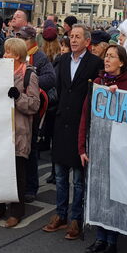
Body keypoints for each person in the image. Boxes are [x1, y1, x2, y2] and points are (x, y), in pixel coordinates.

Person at [43, 24, 103, 240]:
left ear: (87, 41)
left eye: (78, 37)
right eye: (71, 36)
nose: (73, 40)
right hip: (61, 123)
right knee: (60, 176)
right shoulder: (63, 60)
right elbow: (58, 88)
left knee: (78, 179)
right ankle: (60, 215)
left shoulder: (96, 63)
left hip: (80, 125)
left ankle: (76, 218)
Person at [80, 45, 127, 253]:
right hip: (98, 146)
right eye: (106, 56)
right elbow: (86, 116)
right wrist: (82, 147)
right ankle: (100, 237)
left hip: (119, 150)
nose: (106, 60)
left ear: (121, 62)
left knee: (115, 194)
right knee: (100, 192)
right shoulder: (97, 84)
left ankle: (113, 240)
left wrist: (117, 99)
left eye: (112, 57)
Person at [0, 37, 41, 227]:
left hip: (18, 132)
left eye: (8, 52)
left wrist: (18, 97)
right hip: (0, 131)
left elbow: (34, 104)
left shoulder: (29, 76)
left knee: (17, 174)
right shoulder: (0, 73)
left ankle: (16, 212)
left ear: (17, 55)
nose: (4, 55)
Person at [15, 25, 56, 203]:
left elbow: (51, 78)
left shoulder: (39, 57)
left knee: (30, 149)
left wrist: (31, 81)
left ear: (31, 40)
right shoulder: (15, 55)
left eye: (24, 39)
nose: (22, 41)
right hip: (16, 107)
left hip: (32, 108)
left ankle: (31, 187)